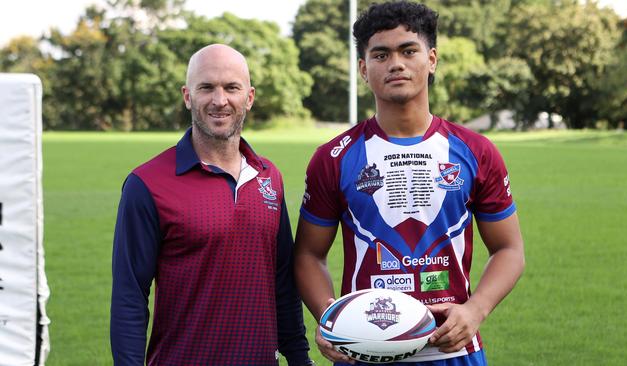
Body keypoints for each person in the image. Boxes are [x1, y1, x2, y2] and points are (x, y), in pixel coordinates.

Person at [294, 2, 525, 365]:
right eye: (381, 54)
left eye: (408, 50)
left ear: (431, 59)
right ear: (363, 69)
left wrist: (475, 310)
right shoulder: (333, 157)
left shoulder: (476, 151)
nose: (396, 63)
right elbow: (308, 254)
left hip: (453, 351)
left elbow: (509, 249)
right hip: (365, 351)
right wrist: (329, 319)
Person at [111, 44, 312, 365]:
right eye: (206, 87)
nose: (220, 100)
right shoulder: (146, 184)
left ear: (249, 96)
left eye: (231, 87)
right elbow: (129, 296)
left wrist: (299, 358)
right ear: (187, 96)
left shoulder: (269, 177)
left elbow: (283, 281)